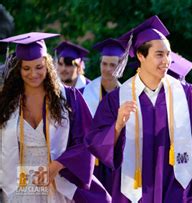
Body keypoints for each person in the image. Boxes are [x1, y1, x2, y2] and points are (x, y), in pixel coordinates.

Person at [85, 16, 192, 203]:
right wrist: (116, 126)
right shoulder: (117, 99)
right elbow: (95, 144)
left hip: (178, 191)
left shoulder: (186, 94)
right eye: (159, 54)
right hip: (133, 194)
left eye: (168, 54)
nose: (167, 61)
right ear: (141, 56)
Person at [0, 32, 110, 202]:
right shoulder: (8, 103)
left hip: (58, 181)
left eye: (39, 67)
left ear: (47, 65)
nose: (33, 74)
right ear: (18, 70)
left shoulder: (69, 99)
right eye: (26, 68)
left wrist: (56, 166)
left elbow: (86, 140)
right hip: (19, 182)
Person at [81, 38, 125, 194]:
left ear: (121, 66)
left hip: (115, 162)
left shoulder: (127, 95)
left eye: (112, 65)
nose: (107, 69)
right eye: (104, 64)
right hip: (90, 160)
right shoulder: (85, 92)